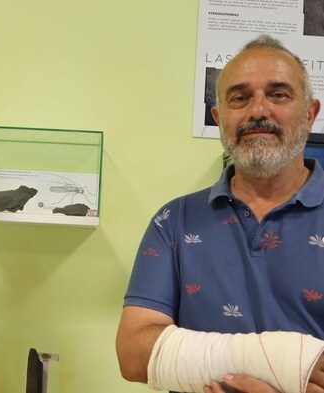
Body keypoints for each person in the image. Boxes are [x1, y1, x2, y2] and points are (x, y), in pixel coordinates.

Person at [116, 34, 324, 393]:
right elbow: (133, 356)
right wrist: (286, 364)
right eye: (239, 98)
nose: (258, 110)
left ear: (310, 114)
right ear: (218, 118)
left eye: (278, 94)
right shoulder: (173, 222)